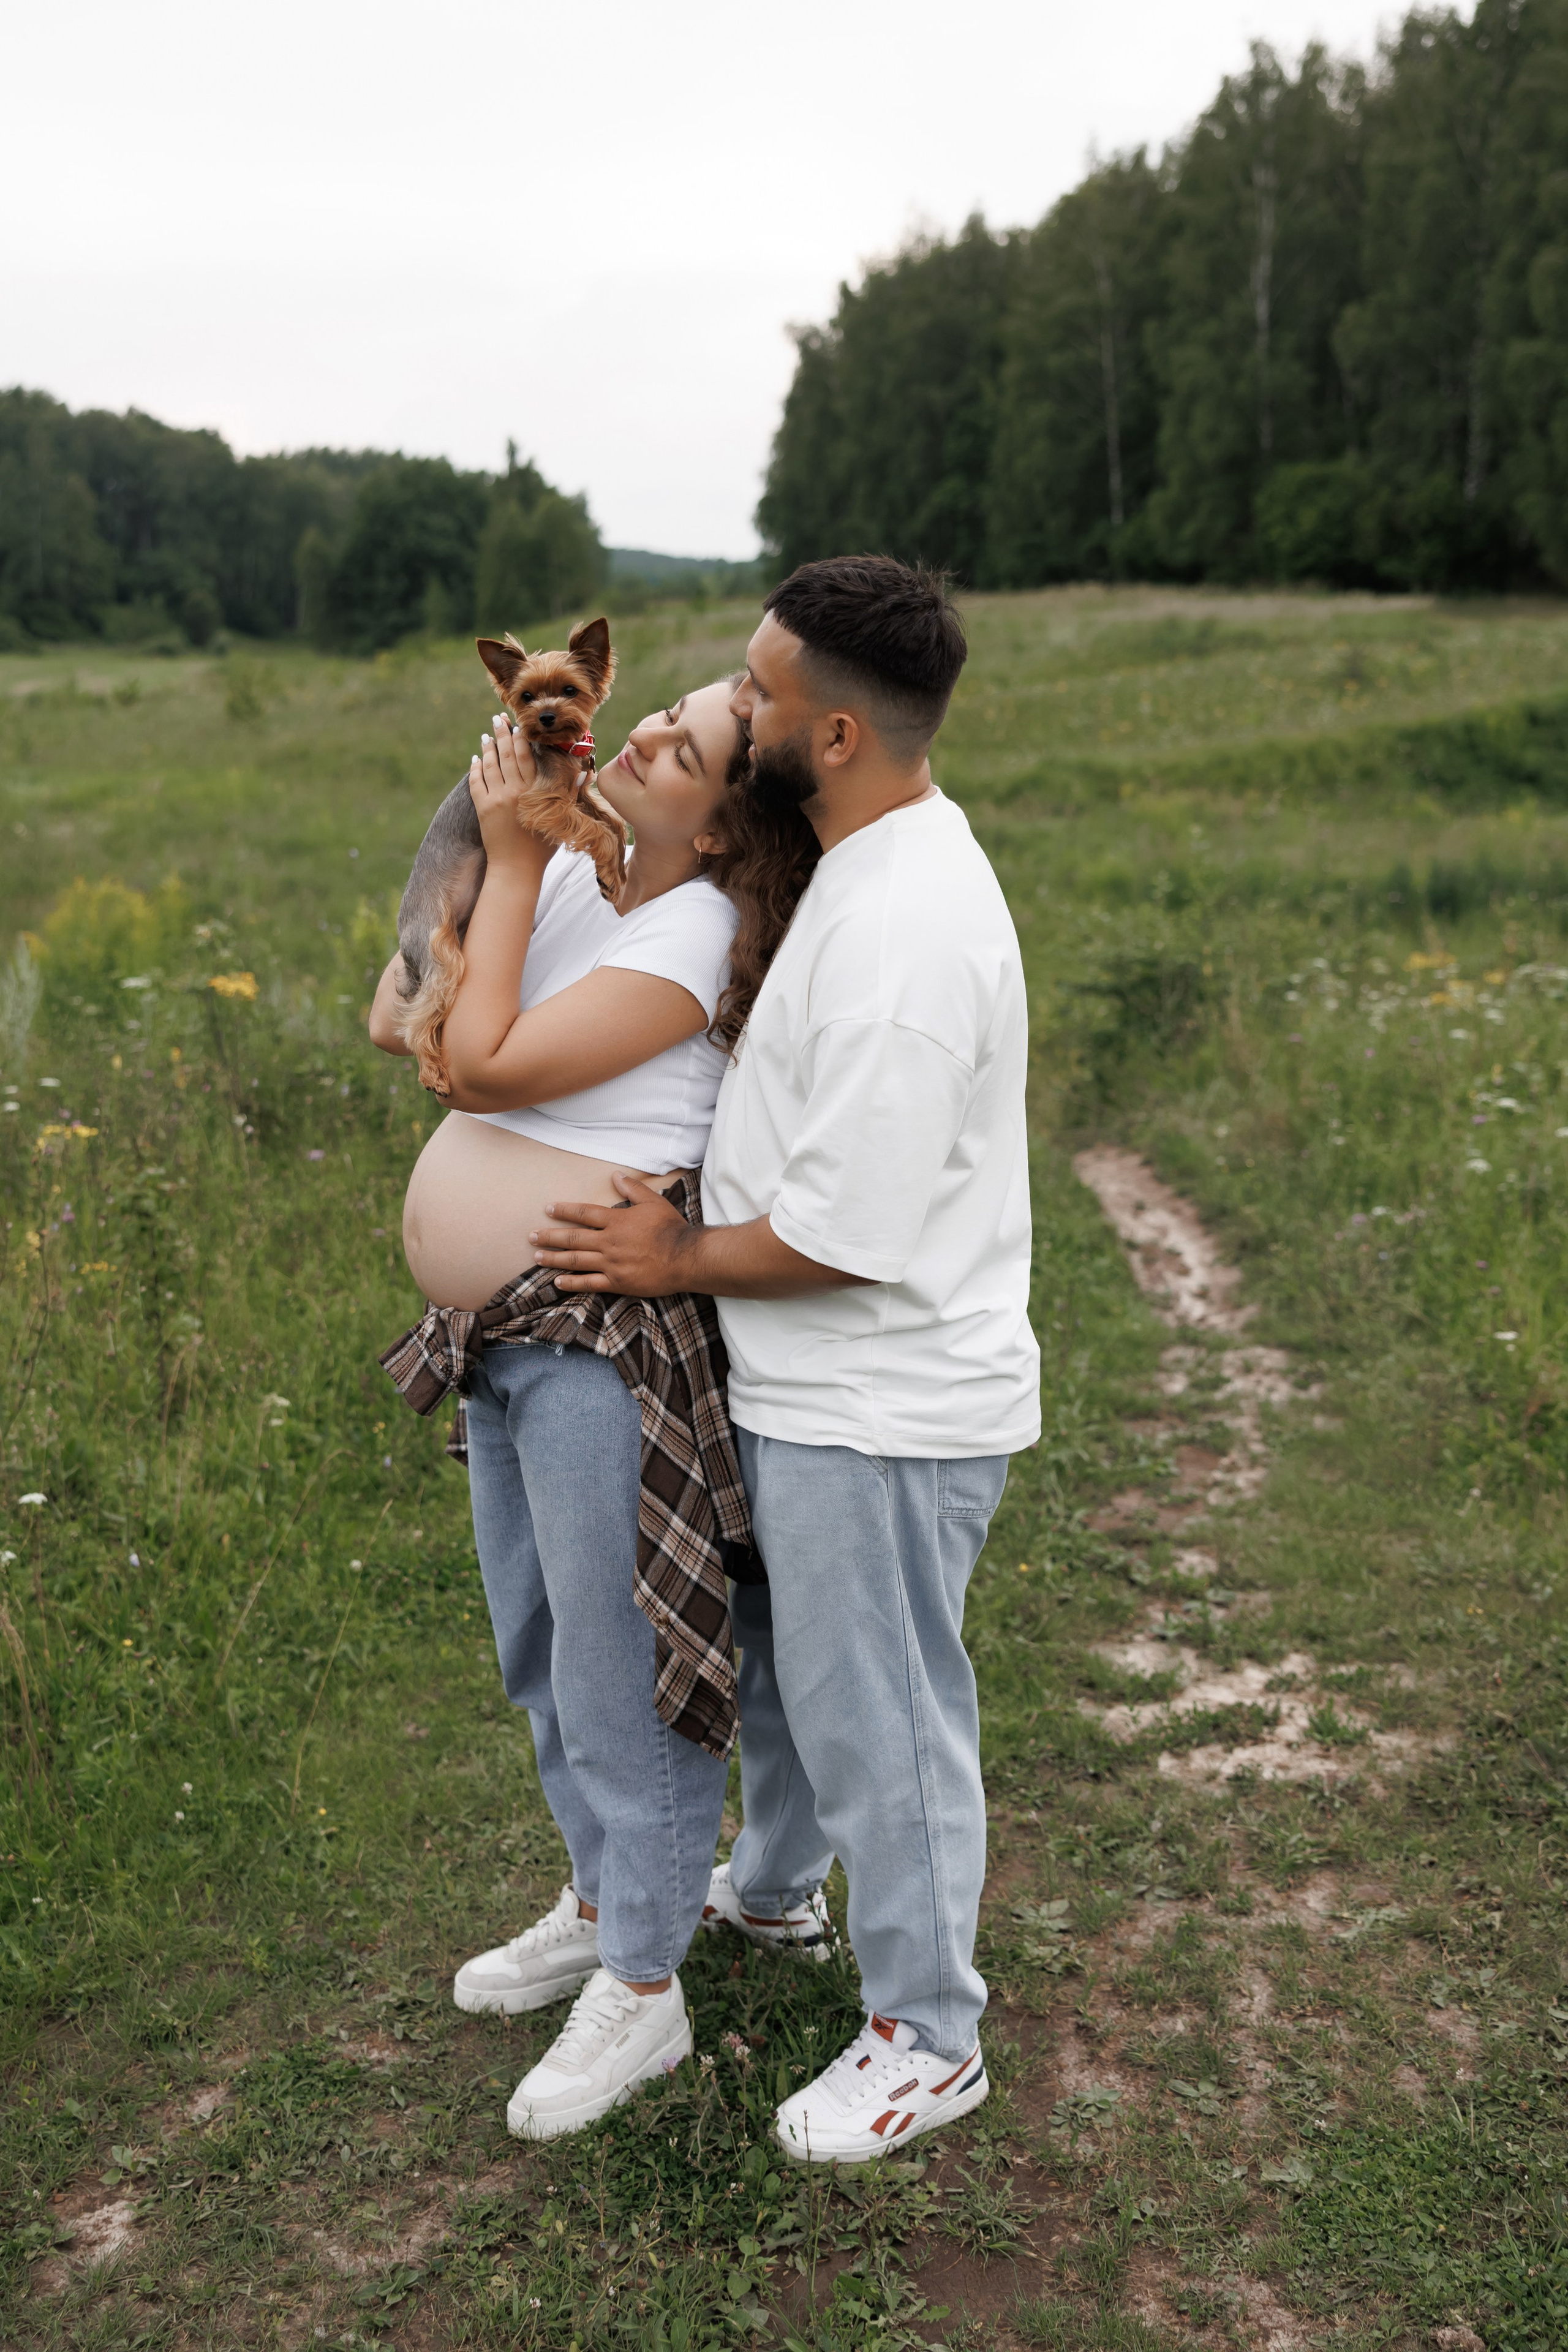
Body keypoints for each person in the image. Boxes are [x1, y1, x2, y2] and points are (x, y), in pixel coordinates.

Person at [530, 555, 1042, 2165]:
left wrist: (671, 1258)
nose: (732, 702)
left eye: (757, 690)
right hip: (817, 1387)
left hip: (880, 1403)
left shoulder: (903, 939)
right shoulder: (864, 863)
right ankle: (774, 1898)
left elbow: (849, 1231)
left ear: (832, 735)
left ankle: (928, 2037)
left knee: (882, 1717)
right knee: (810, 1686)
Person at [369, 676, 817, 2139]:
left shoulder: (695, 932)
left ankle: (644, 1982)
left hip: (600, 1341)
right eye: (656, 714)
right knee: (540, 1644)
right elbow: (396, 1016)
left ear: (723, 825)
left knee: (622, 1663)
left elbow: (475, 1063)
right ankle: (601, 1895)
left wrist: (507, 863)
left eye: (679, 748)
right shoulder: (574, 881)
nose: (635, 737)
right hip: (498, 1338)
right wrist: (487, 847)